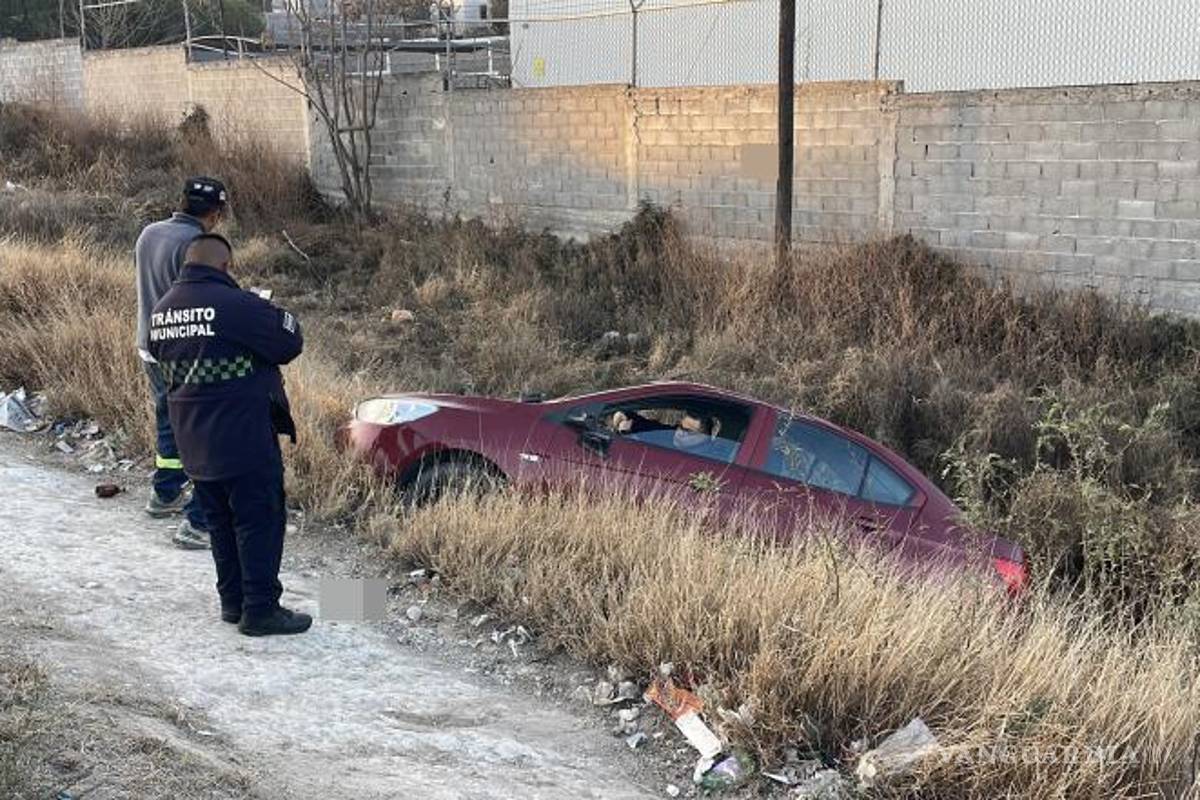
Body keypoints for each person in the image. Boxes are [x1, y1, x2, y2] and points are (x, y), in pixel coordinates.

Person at [147, 233, 312, 637]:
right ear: (224, 266)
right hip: (242, 433)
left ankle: (233, 602)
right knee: (259, 520)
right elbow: (289, 342)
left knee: (220, 523)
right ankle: (261, 610)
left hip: (192, 437)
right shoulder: (236, 305)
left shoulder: (162, 310)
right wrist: (265, 307)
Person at [135, 177, 228, 549]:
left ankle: (165, 492)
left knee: (168, 419)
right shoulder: (197, 245)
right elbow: (205, 299)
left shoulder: (149, 233)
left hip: (149, 345)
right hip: (184, 353)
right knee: (205, 431)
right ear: (215, 213)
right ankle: (197, 522)